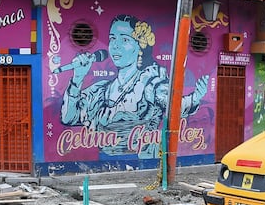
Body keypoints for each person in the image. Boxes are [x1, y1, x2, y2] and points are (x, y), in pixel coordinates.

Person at [60, 13, 208, 158]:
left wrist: (196, 97)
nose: (116, 45)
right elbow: (68, 118)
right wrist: (77, 78)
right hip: (107, 169)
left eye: (124, 39)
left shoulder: (150, 84)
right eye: (112, 39)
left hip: (145, 164)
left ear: (139, 47)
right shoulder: (102, 89)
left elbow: (176, 106)